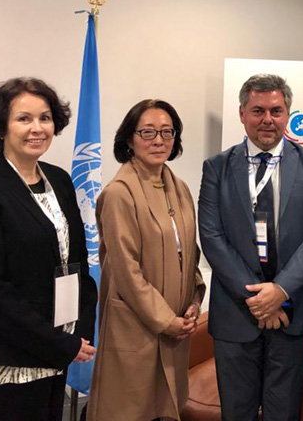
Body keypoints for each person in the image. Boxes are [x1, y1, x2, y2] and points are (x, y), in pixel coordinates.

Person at [0, 77, 98, 421]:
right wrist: (57, 342)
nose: (37, 128)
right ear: (1, 127)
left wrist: (80, 330)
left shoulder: (59, 180)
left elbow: (77, 262)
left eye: (45, 118)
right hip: (2, 360)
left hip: (54, 354)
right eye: (24, 118)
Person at [198, 73, 303, 421]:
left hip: (294, 310)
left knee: (283, 412)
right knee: (237, 412)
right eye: (258, 110)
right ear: (242, 113)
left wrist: (280, 291)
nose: (267, 119)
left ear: (287, 114)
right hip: (237, 311)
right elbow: (212, 237)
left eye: (276, 111)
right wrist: (260, 300)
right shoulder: (216, 167)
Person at [87, 99, 206, 421]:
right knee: (129, 410)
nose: (158, 141)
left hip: (176, 324)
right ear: (130, 139)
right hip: (137, 325)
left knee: (166, 408)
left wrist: (194, 300)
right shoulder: (119, 193)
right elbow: (126, 270)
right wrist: (166, 321)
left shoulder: (179, 188)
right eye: (148, 132)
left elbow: (188, 252)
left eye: (167, 132)